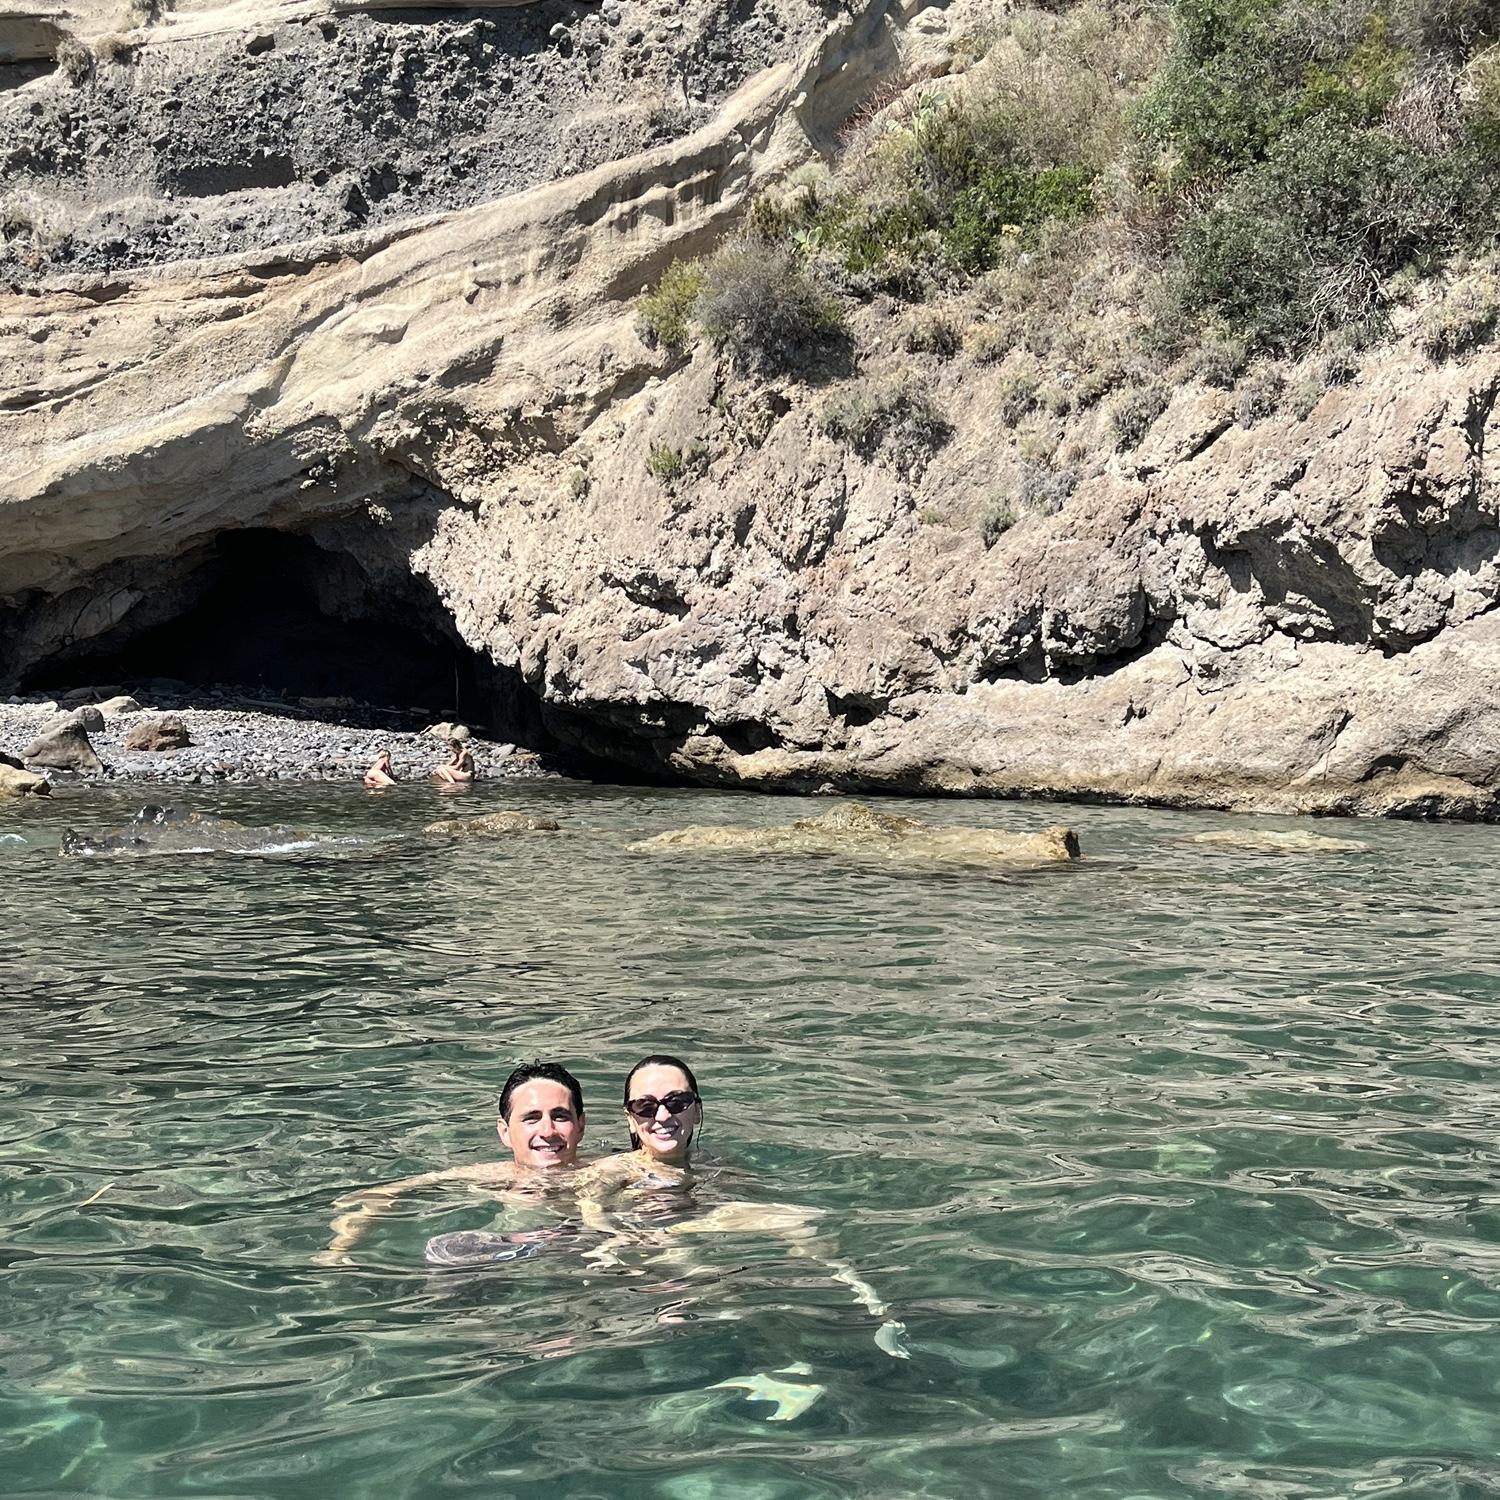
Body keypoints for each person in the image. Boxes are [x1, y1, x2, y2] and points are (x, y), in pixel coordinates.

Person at [322, 1061, 585, 1261]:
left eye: (560, 1116)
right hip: (506, 1253)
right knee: (447, 1250)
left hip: (584, 1249)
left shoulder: (606, 1170)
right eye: (531, 1118)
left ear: (581, 1126)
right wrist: (339, 1248)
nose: (548, 1131)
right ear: (504, 1132)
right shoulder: (489, 1175)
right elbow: (378, 1195)